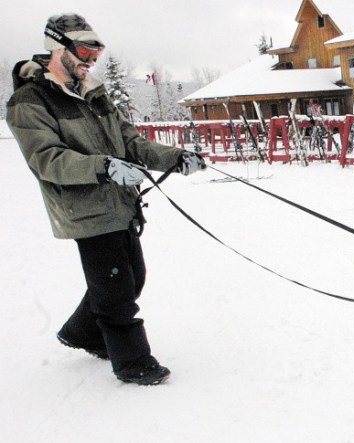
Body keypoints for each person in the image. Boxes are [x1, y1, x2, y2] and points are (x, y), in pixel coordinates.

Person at [6, 13, 206, 385]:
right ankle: (133, 363)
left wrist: (175, 158)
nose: (91, 60)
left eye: (96, 53)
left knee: (130, 278)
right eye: (84, 50)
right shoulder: (29, 100)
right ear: (58, 46)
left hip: (120, 200)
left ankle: (82, 332)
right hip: (84, 207)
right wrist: (105, 167)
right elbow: (46, 159)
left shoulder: (94, 92)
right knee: (116, 290)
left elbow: (130, 141)